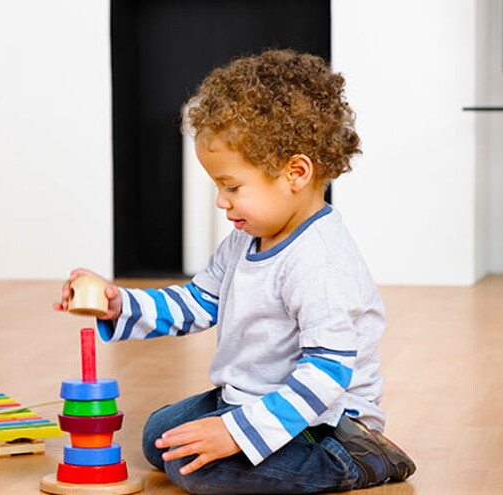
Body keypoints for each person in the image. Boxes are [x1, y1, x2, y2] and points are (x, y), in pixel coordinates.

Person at [54, 49, 415, 494]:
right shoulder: (245, 240)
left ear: (295, 173)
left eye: (232, 186)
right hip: (253, 398)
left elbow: (326, 374)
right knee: (158, 436)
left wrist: (232, 433)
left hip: (324, 424)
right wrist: (118, 303)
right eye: (217, 186)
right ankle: (233, 429)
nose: (221, 201)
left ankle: (362, 463)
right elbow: (197, 302)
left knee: (194, 468)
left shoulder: (320, 262)